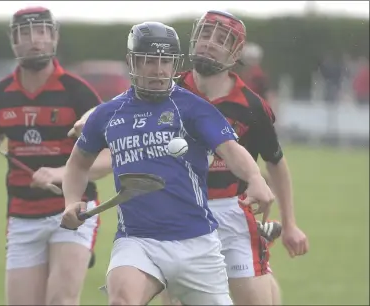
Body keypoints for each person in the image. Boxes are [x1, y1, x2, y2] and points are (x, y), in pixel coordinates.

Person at [60, 21, 275, 306]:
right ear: (132, 61)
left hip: (197, 243)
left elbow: (232, 150)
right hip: (137, 240)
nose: (159, 70)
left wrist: (256, 178)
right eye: (150, 60)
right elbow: (77, 163)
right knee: (122, 299)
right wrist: (71, 200)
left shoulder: (193, 108)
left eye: (165, 61)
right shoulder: (108, 114)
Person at [158, 10, 309, 305]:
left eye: (221, 39)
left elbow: (275, 162)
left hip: (233, 215)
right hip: (178, 213)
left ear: (236, 52)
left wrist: (290, 223)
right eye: (204, 34)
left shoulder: (252, 107)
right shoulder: (166, 91)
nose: (209, 43)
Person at [0, 6, 110, 305]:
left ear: (54, 36)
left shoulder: (77, 92)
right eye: (26, 33)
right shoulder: (0, 93)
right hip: (22, 216)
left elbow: (109, 156)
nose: (36, 40)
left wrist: (61, 173)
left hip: (73, 209)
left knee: (61, 301)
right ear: (13, 40)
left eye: (43, 31)